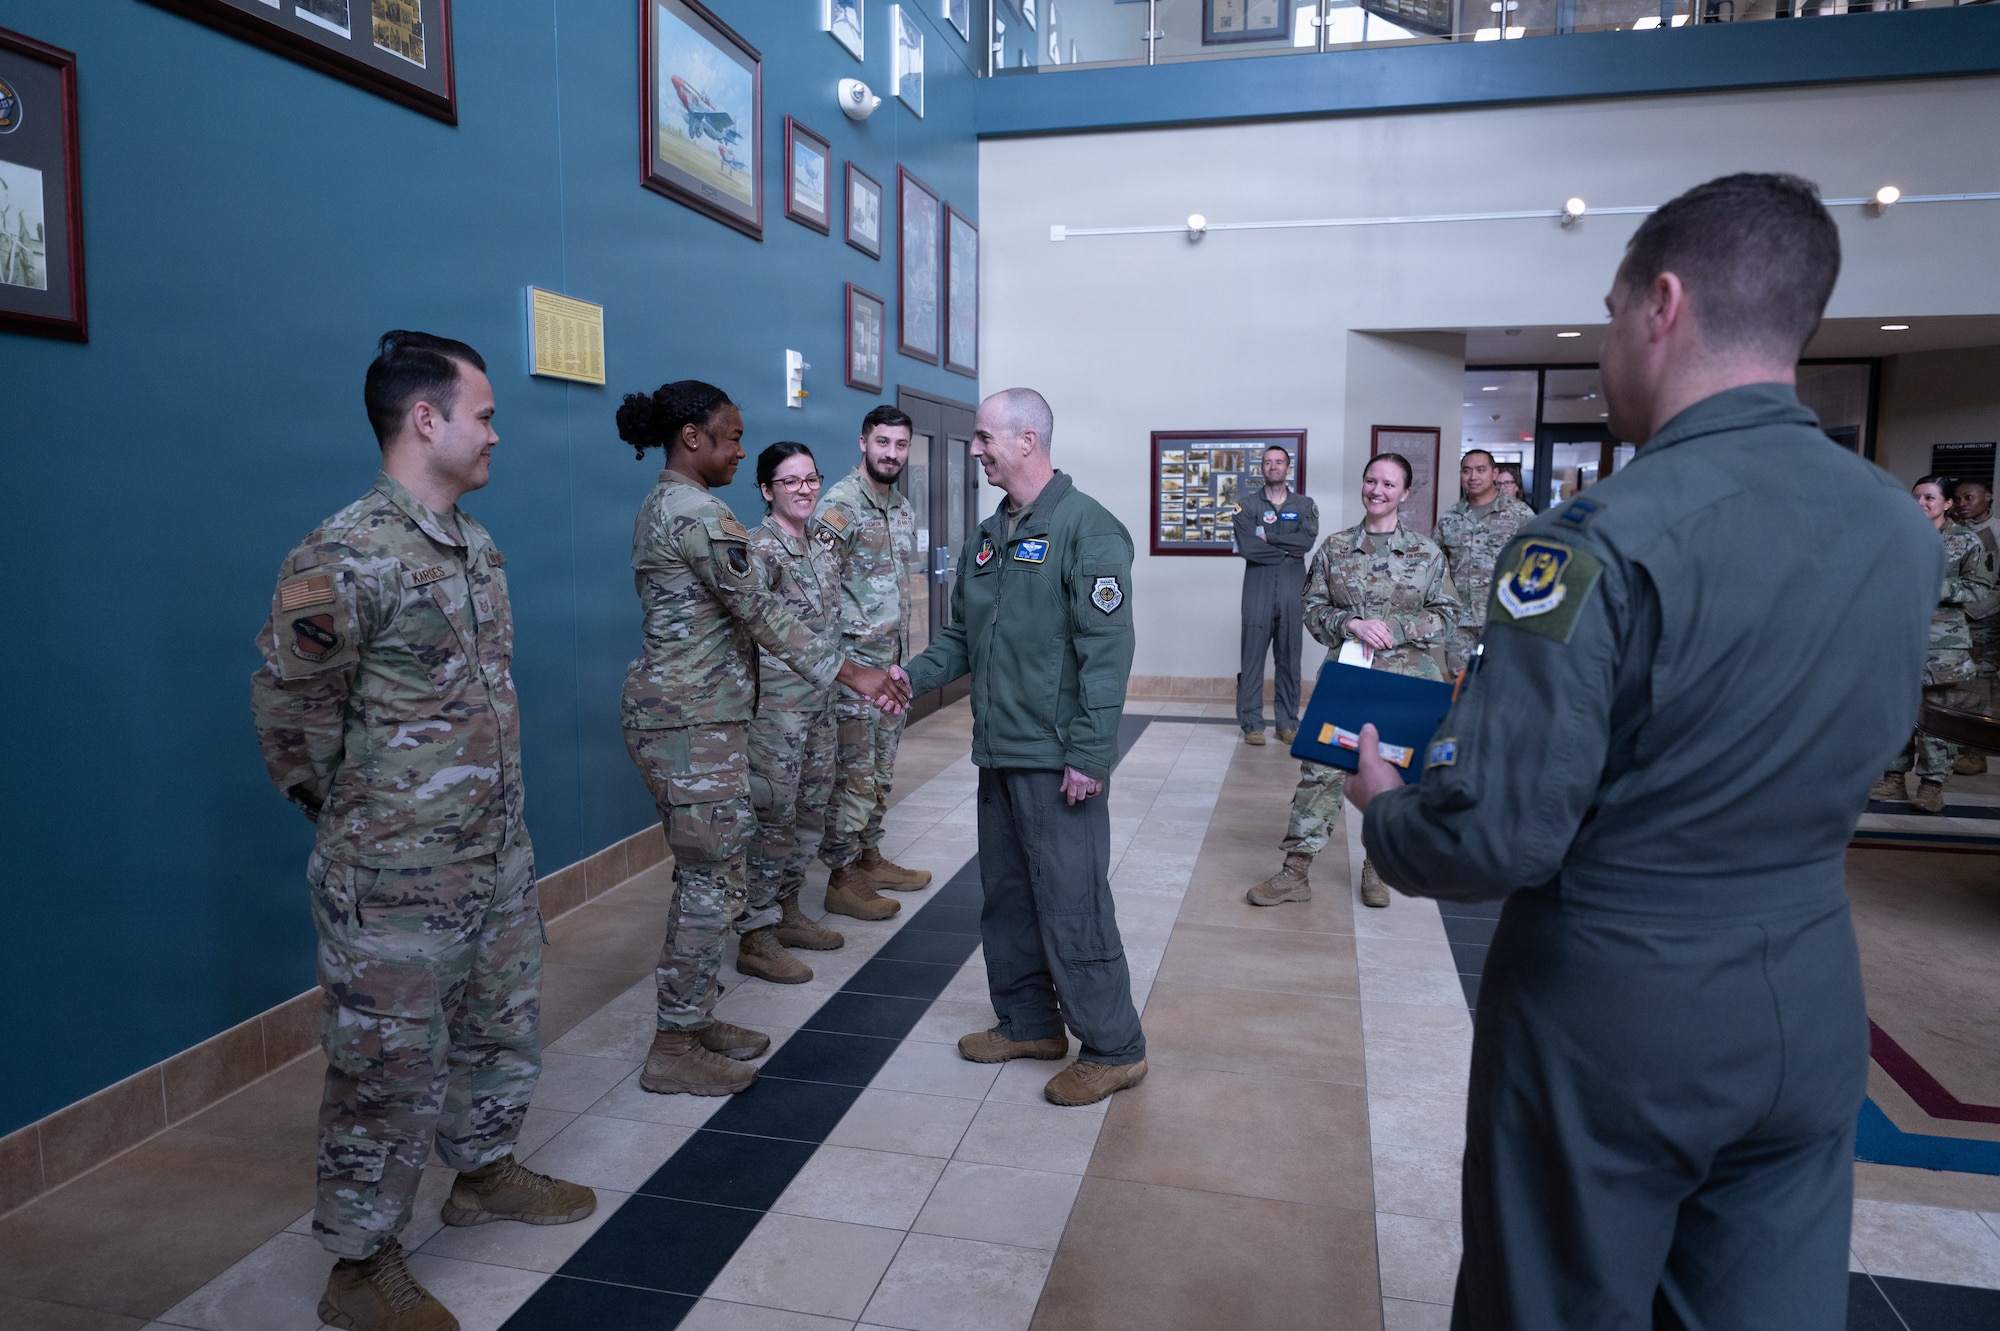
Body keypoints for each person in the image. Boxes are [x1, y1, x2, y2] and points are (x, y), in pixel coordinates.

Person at [1347, 174, 1943, 1329]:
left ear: (1659, 305)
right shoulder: (1890, 525)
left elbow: (1502, 832)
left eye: (1610, 310)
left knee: (1552, 1301)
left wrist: (1385, 810)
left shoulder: (1588, 544)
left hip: (1613, 1006)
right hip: (1811, 992)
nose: (1609, 339)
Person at [252, 331, 596, 1331]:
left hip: (492, 854)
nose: (497, 431)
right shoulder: (343, 555)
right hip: (396, 874)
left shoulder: (470, 542)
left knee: (499, 1026)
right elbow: (290, 720)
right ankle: (360, 1263)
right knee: (387, 1065)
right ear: (426, 419)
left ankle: (483, 1170)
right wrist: (367, 827)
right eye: (484, 414)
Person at [616, 381, 906, 1097]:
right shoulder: (696, 512)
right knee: (711, 881)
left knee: (713, 876)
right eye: (731, 436)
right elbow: (760, 611)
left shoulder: (673, 504)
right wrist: (852, 672)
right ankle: (675, 1045)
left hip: (699, 713)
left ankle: (692, 1018)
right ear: (692, 437)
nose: (740, 449)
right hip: (690, 718)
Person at [892, 388, 1148, 1108]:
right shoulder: (988, 535)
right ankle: (1031, 1022)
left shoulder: (1089, 530)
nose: (975, 450)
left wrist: (1091, 754)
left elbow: (1108, 652)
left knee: (1073, 901)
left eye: (983, 438)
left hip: (1056, 754)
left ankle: (1115, 1046)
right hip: (998, 750)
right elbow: (962, 639)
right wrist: (904, 679)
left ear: (1027, 439)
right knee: (1006, 897)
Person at [1245, 453, 1458, 911]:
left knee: (1391, 774)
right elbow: (1311, 609)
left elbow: (1448, 615)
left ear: (1404, 493)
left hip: (1406, 685)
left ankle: (1377, 869)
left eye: (1388, 483)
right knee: (1320, 769)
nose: (1376, 490)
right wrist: (1351, 624)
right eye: (1370, 481)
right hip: (1347, 678)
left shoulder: (1427, 553)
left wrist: (1397, 629)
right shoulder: (1336, 548)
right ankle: (1296, 870)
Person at [734, 442, 849, 984]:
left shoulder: (822, 547)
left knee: (811, 810)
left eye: (811, 478)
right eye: (790, 481)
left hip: (820, 705)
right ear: (766, 490)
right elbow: (755, 628)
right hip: (775, 712)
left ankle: (787, 911)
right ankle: (755, 934)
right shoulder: (757, 550)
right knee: (772, 817)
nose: (804, 489)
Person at [815, 405, 933, 921]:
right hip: (853, 669)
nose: (891, 453)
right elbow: (816, 592)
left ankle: (868, 856)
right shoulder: (839, 506)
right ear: (863, 442)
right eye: (882, 442)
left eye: (900, 445)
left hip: (891, 665)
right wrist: (840, 667)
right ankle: (841, 877)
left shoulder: (902, 508)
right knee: (855, 772)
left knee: (881, 768)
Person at [1868, 476, 1996, 811]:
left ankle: (1931, 786)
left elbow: (1980, 587)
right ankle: (1893, 780)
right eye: (1916, 497)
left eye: (1929, 497)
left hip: (1943, 645)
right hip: (1897, 641)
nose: (1921, 504)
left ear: (1947, 503)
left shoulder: (1965, 540)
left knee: (1938, 719)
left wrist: (1937, 588)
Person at [1232, 444, 1319, 745]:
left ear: (1288, 467)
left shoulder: (1306, 504)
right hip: (1258, 586)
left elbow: (1306, 542)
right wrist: (1286, 549)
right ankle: (1252, 723)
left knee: (1290, 657)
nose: (1273, 466)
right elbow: (1248, 548)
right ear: (1262, 468)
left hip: (1294, 587)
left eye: (1278, 462)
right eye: (1268, 462)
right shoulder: (1247, 506)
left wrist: (1269, 538)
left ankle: (1287, 723)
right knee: (1253, 655)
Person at [1433, 448, 1535, 678]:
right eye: (1466, 471)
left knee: (1502, 682)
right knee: (1462, 685)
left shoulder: (1520, 515)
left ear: (1494, 473)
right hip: (1461, 620)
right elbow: (1436, 566)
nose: (1473, 477)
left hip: (1504, 618)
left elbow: (1537, 563)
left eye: (1480, 470)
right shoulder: (1450, 517)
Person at [1948, 477, 1997, 775]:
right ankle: (1952, 746)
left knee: (1979, 686)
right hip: (1953, 622)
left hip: (1985, 623)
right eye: (1959, 498)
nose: (1964, 503)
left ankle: (1975, 752)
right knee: (1953, 686)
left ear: (1988, 497)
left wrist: (1977, 610)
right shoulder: (1954, 532)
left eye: (1970, 497)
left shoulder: (1996, 531)